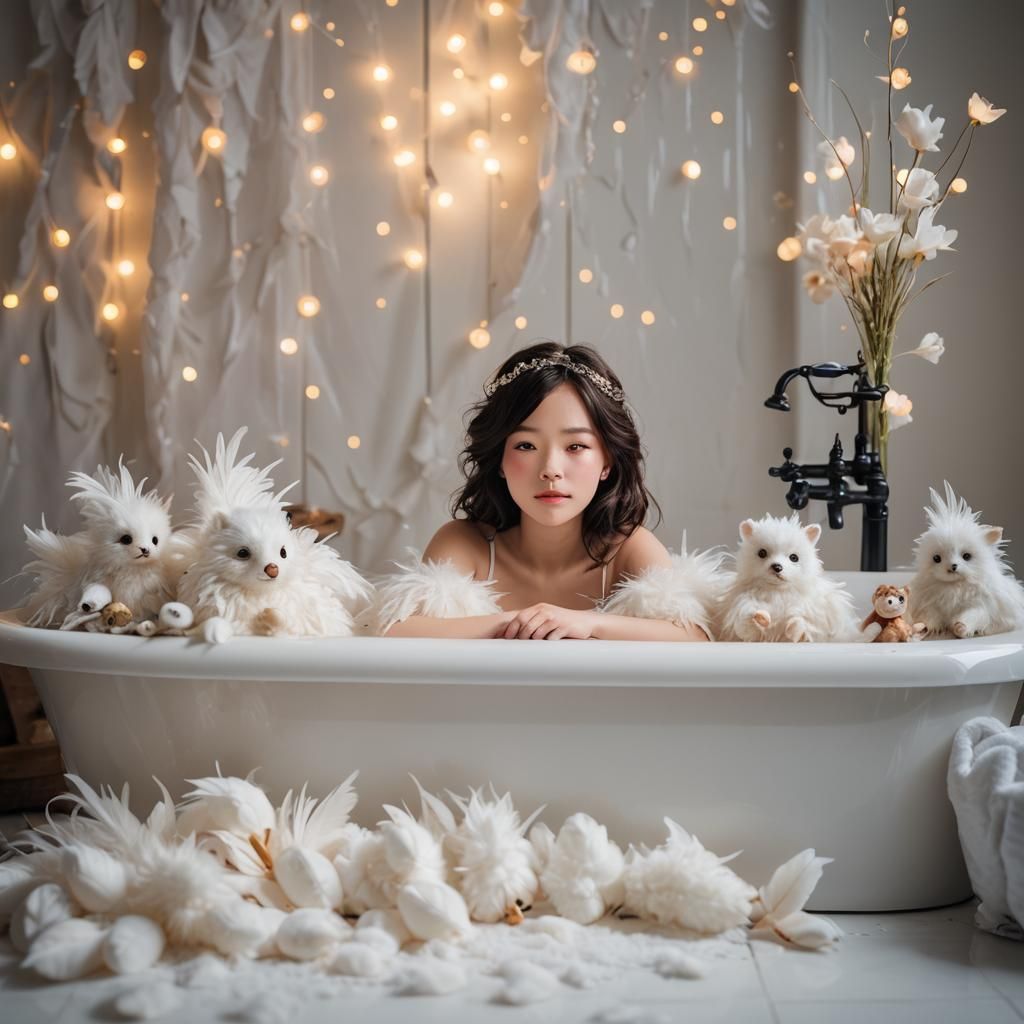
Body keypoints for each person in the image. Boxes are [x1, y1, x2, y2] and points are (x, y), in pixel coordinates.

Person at [383, 342, 710, 641]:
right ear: (499, 460)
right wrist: (517, 622)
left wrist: (589, 623)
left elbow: (694, 635)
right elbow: (396, 628)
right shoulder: (466, 544)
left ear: (607, 461)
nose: (551, 469)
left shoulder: (628, 548)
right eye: (526, 445)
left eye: (576, 446)